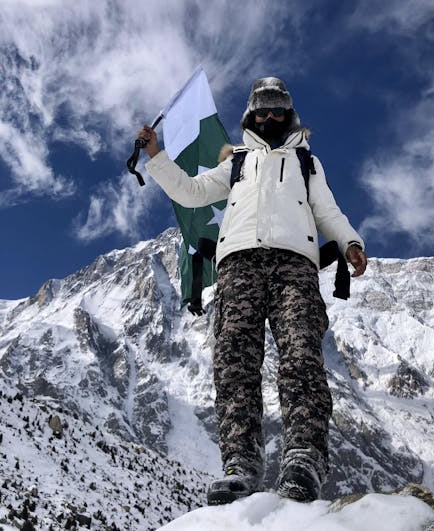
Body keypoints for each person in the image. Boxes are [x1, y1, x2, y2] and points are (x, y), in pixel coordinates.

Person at [138, 77, 367, 505]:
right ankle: (240, 465)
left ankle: (304, 459)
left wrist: (351, 242)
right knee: (234, 365)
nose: (269, 116)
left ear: (289, 114)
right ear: (250, 115)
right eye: (261, 109)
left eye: (277, 108)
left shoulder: (307, 164)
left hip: (295, 265)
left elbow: (328, 212)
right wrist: (156, 156)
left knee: (301, 356)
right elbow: (192, 193)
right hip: (237, 266)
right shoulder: (237, 161)